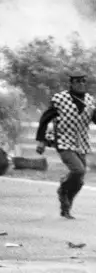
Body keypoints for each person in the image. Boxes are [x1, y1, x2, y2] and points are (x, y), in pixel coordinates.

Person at [35, 71, 96, 219]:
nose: (81, 84)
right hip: (63, 141)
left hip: (81, 142)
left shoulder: (89, 100)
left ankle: (66, 206)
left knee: (79, 181)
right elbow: (45, 119)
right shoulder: (60, 99)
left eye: (83, 82)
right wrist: (41, 141)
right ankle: (63, 188)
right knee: (78, 170)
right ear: (72, 84)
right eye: (78, 82)